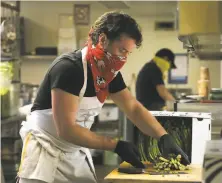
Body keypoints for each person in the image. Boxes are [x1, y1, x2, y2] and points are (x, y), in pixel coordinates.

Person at [17, 11, 189, 183]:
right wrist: (116, 145)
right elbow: (66, 129)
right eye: (121, 50)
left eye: (128, 53)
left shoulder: (109, 74)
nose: (123, 58)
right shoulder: (70, 69)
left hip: (74, 152)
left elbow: (134, 109)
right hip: (45, 151)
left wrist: (163, 137)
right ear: (103, 39)